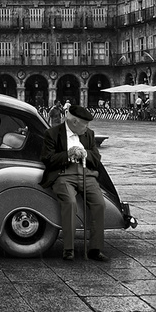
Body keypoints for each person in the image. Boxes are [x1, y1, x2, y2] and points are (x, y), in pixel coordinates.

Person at [40, 105, 109, 262]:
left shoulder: (88, 134)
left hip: (86, 174)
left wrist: (86, 153)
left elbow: (97, 159)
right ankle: (68, 248)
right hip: (63, 174)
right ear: (74, 122)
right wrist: (67, 154)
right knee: (70, 203)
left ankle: (95, 249)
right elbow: (47, 159)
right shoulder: (53, 133)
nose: (87, 127)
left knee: (99, 204)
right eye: (84, 124)